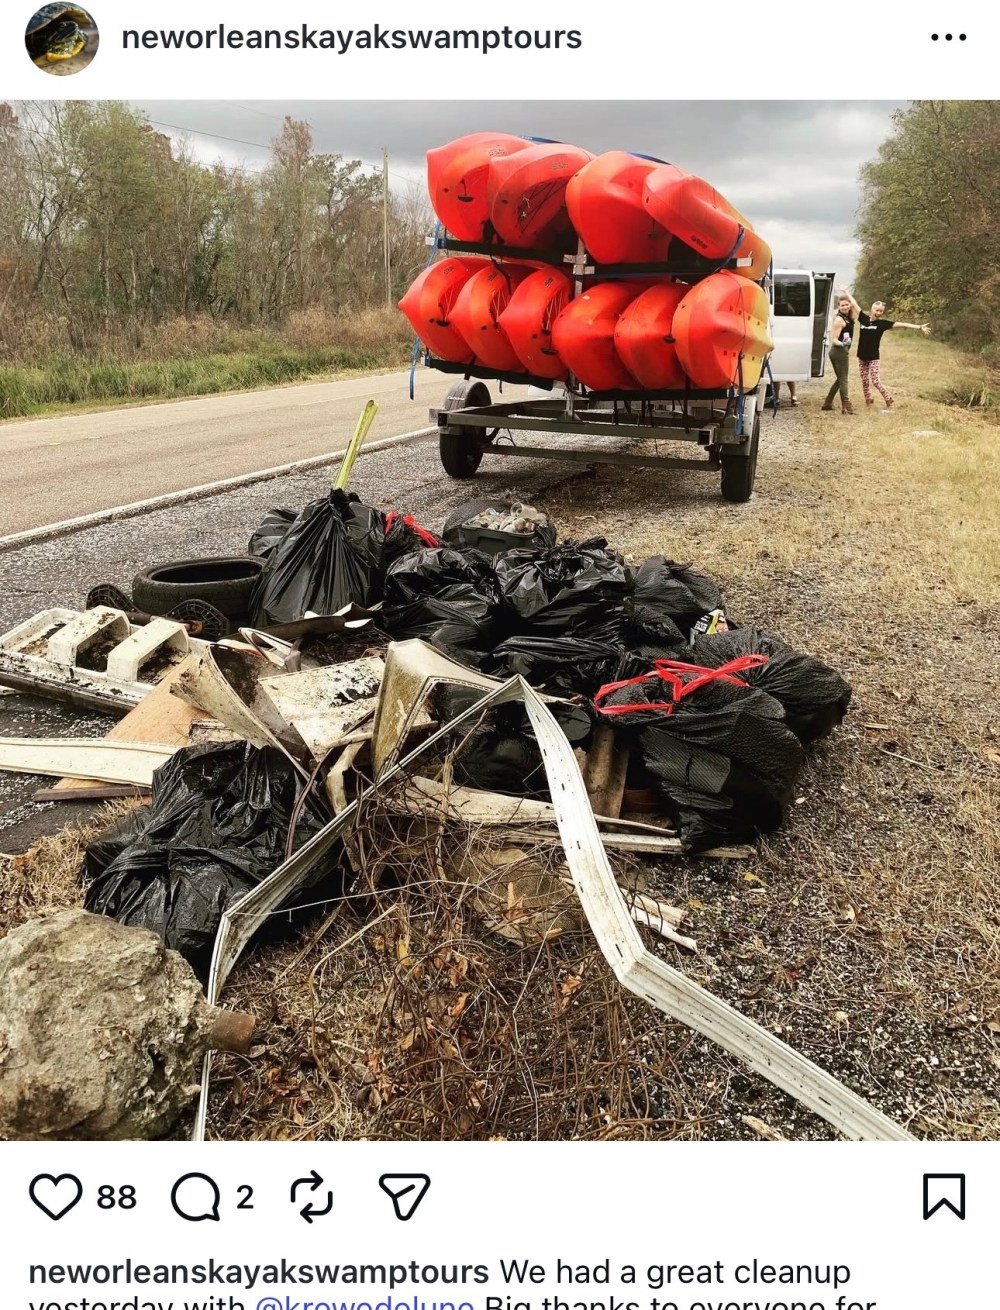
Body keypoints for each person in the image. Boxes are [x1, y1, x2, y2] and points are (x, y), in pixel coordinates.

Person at [838, 288, 930, 408]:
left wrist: (919, 327)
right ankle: (868, 400)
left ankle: (888, 398)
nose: (879, 313)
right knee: (865, 381)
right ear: (872, 309)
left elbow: (902, 324)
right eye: (877, 310)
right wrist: (846, 291)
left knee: (875, 380)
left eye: (881, 311)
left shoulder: (882, 324)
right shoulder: (863, 318)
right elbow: (854, 304)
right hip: (862, 356)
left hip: (873, 357)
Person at [821, 294, 856, 414]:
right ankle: (846, 405)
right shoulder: (839, 320)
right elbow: (834, 340)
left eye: (847, 304)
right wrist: (843, 344)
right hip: (839, 352)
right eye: (842, 305)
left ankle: (828, 402)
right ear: (838, 306)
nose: (845, 307)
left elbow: (856, 307)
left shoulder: (848, 317)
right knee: (844, 379)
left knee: (840, 379)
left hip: (839, 352)